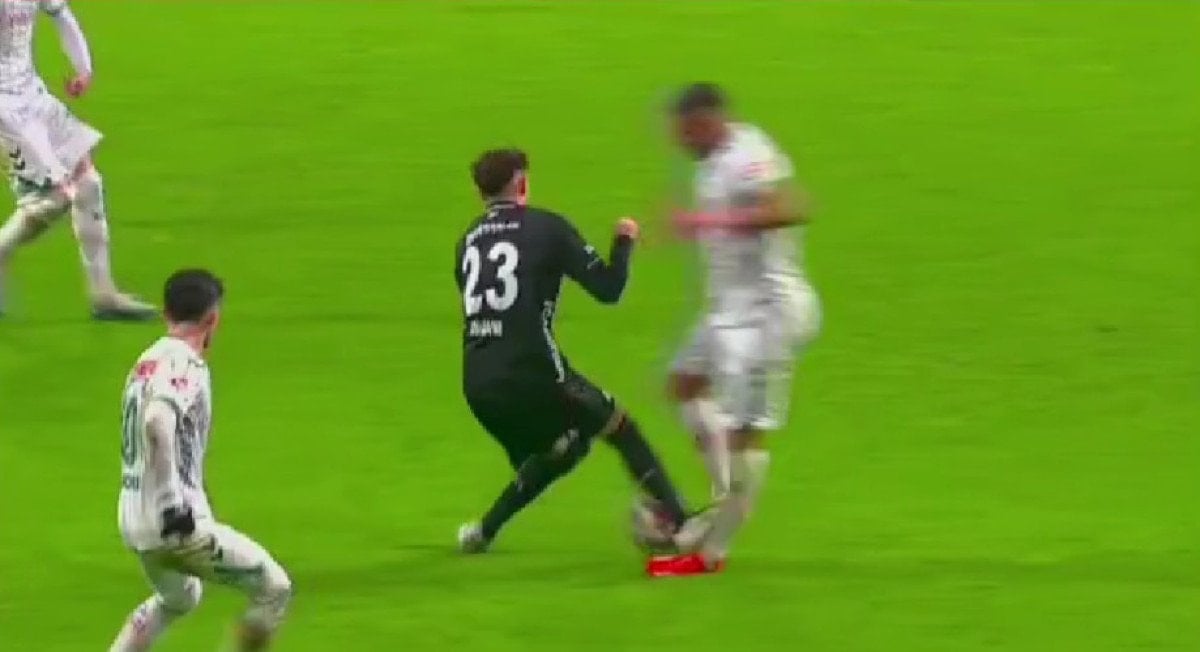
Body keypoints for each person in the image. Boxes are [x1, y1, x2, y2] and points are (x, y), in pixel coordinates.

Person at [454, 148, 700, 553]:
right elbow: (609, 288)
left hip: (478, 382)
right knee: (621, 429)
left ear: (481, 193)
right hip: (533, 371)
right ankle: (683, 522)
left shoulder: (467, 242)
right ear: (522, 184)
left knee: (565, 449)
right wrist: (624, 240)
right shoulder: (547, 227)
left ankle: (482, 532)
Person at [649, 83, 821, 576]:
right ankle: (724, 499)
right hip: (728, 311)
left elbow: (792, 208)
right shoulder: (713, 159)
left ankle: (711, 554)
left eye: (685, 133)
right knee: (684, 385)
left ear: (707, 122)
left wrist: (703, 221)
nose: (680, 143)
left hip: (768, 315)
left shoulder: (750, 155)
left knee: (746, 435)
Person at [109, 269, 291, 651]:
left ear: (166, 314)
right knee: (274, 589)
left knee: (180, 598)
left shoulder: (145, 362)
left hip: (134, 520)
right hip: (171, 524)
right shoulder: (185, 365)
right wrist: (171, 502)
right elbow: (157, 421)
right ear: (214, 319)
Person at [0, 0, 154, 320]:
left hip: (32, 95)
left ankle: (104, 295)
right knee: (56, 195)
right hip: (5, 110)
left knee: (88, 183)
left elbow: (61, 14)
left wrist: (83, 67)